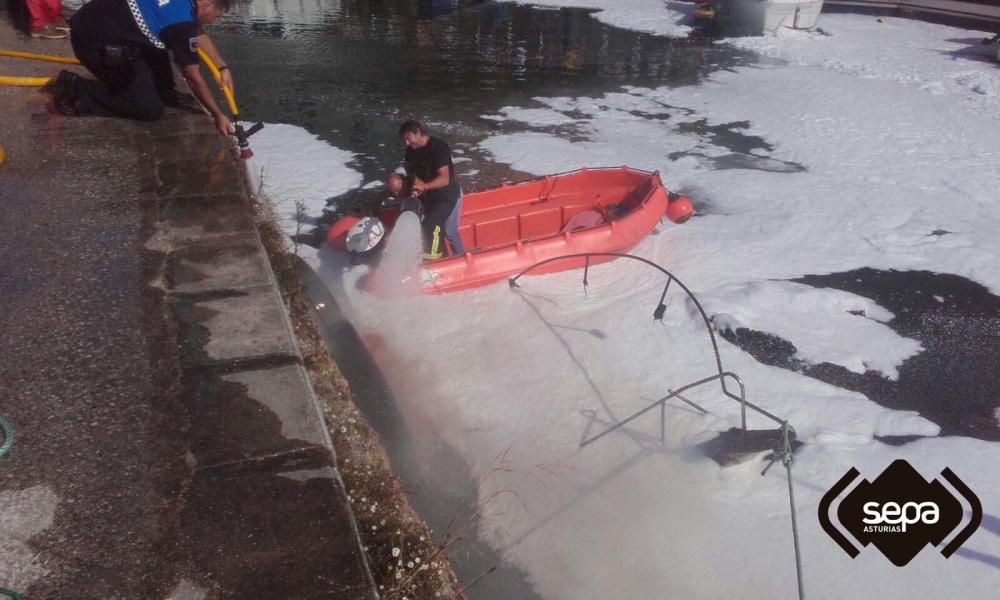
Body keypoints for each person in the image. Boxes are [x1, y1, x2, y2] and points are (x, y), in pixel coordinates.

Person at [49, 0, 233, 137]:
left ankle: (164, 92)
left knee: (159, 51)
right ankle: (75, 88)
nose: (212, 22)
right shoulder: (180, 25)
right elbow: (192, 76)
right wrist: (217, 114)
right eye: (216, 17)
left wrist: (222, 67)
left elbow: (197, 32)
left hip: (95, 23)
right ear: (207, 5)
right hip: (93, 43)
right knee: (148, 109)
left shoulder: (185, 5)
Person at [398, 120, 464, 259]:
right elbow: (408, 166)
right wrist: (416, 180)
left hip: (448, 193)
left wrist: (424, 186)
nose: (407, 143)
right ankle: (441, 256)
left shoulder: (438, 147)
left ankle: (461, 258)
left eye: (408, 138)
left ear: (417, 133)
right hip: (430, 194)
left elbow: (444, 178)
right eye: (405, 140)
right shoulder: (412, 149)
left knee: (447, 229)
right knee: (427, 224)